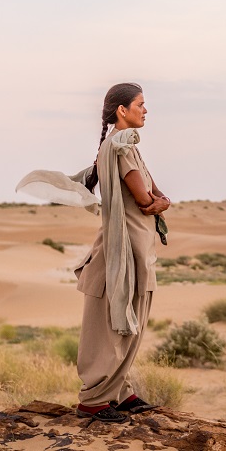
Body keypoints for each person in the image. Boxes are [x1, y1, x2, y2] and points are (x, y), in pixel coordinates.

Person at [72, 82, 170, 423]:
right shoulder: (119, 146)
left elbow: (155, 192)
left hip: (136, 249)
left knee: (132, 321)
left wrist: (160, 200)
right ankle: (94, 399)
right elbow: (146, 201)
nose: (146, 110)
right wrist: (159, 202)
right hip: (122, 251)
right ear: (122, 111)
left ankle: (119, 391)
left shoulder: (127, 145)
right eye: (141, 104)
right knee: (112, 326)